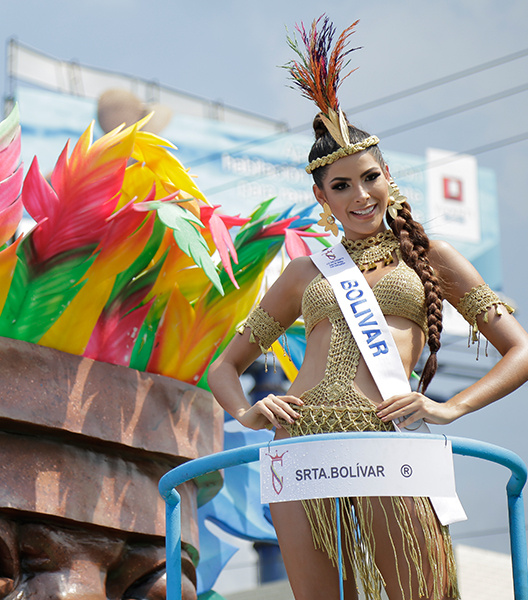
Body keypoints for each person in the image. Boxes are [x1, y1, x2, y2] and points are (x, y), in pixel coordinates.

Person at [207, 17, 528, 600]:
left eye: (369, 177)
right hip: (299, 446)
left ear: (387, 176)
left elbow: (521, 350)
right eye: (341, 186)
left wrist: (450, 407)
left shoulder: (432, 255)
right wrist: (248, 412)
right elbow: (223, 367)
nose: (360, 196)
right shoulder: (306, 270)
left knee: (420, 593)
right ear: (321, 196)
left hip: (386, 435)